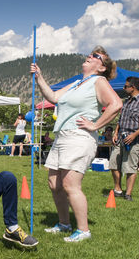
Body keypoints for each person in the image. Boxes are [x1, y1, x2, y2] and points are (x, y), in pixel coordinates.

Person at [30, 46, 122, 242]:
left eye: (96, 57)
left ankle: (83, 230)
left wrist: (95, 125)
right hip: (61, 136)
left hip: (79, 137)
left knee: (70, 184)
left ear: (102, 67)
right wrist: (39, 77)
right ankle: (64, 223)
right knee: (54, 184)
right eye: (90, 54)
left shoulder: (99, 81)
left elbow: (116, 104)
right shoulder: (77, 83)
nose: (90, 56)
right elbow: (54, 97)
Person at [109, 77, 139, 201]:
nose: (124, 88)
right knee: (113, 164)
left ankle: (128, 194)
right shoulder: (127, 102)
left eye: (126, 86)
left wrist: (134, 135)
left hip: (135, 140)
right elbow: (121, 119)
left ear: (132, 87)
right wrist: (116, 132)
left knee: (129, 167)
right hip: (121, 139)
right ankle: (117, 189)